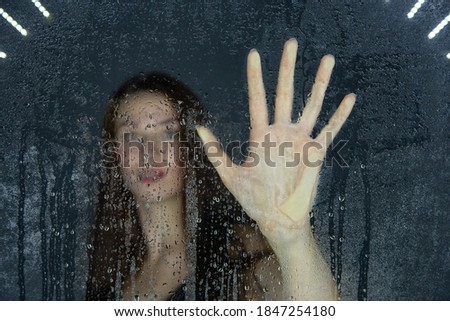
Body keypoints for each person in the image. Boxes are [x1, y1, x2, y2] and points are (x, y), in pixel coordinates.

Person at [86, 38, 356, 301]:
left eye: (169, 133)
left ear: (192, 147)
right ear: (114, 151)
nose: (149, 152)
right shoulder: (106, 270)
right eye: (131, 135)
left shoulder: (238, 249)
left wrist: (293, 242)